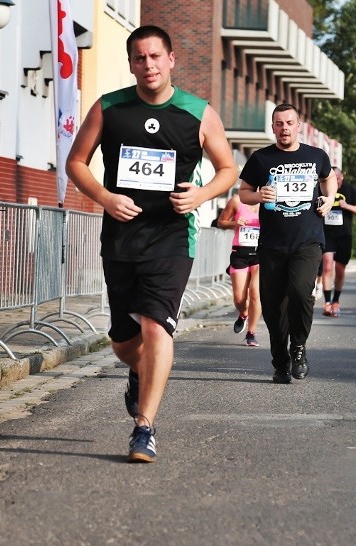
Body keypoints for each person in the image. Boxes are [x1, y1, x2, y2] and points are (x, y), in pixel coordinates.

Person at [65, 25, 237, 462]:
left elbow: (228, 169)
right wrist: (105, 197)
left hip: (173, 237)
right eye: (140, 58)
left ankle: (144, 427)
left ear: (171, 59)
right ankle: (140, 374)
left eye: (156, 56)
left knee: (156, 326)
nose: (149, 65)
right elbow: (76, 162)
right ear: (130, 64)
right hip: (121, 239)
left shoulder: (197, 113)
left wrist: (199, 196)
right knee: (125, 342)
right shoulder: (110, 108)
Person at [238, 103, 336, 384]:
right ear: (273, 128)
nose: (284, 128)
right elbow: (244, 192)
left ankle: (299, 347)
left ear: (298, 126)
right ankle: (280, 360)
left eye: (289, 123)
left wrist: (329, 200)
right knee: (273, 307)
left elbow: (329, 181)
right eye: (279, 124)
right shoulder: (260, 158)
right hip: (272, 244)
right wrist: (259, 196)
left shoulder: (316, 155)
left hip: (308, 240)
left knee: (301, 292)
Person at [217, 194, 261, 347]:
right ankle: (244, 314)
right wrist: (235, 223)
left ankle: (251, 333)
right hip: (240, 253)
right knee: (239, 299)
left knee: (255, 293)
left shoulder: (268, 202)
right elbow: (221, 222)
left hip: (260, 254)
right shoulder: (237, 200)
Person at [321, 167, 356, 317]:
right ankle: (327, 303)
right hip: (326, 234)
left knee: (340, 270)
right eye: (333, 179)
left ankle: (336, 301)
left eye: (338, 179)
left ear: (342, 178)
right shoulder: (321, 187)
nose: (336, 182)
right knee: (327, 266)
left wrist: (347, 206)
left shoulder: (349, 190)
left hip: (344, 235)